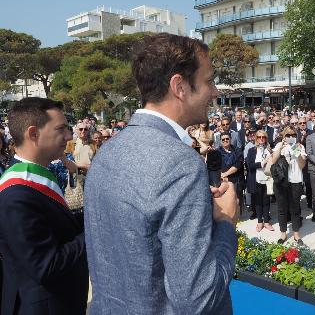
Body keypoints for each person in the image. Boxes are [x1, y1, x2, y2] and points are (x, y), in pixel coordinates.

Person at [84, 33, 238, 314]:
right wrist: (227, 223)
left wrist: (198, 210)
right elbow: (197, 299)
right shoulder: (181, 164)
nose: (214, 92)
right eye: (209, 81)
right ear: (180, 86)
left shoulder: (106, 152)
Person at [0, 97, 88, 315]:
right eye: (61, 129)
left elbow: (58, 229)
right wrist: (94, 232)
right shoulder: (16, 193)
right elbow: (46, 265)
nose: (68, 137)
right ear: (33, 134)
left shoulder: (38, 175)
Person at [272, 126, 307, 245]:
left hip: (295, 180)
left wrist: (295, 149)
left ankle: (296, 233)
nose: (291, 137)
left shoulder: (299, 147)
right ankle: (283, 233)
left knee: (295, 208)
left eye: (293, 135)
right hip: (281, 181)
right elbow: (273, 160)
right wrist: (281, 146)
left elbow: (302, 165)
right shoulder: (279, 146)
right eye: (288, 135)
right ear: (283, 136)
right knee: (282, 208)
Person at [246, 130, 274, 232]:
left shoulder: (269, 150)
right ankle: (259, 222)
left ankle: (266, 221)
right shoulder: (252, 150)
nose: (261, 139)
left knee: (266, 201)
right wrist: (262, 163)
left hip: (267, 179)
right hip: (256, 178)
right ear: (256, 138)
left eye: (263, 137)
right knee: (258, 202)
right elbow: (250, 166)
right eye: (259, 137)